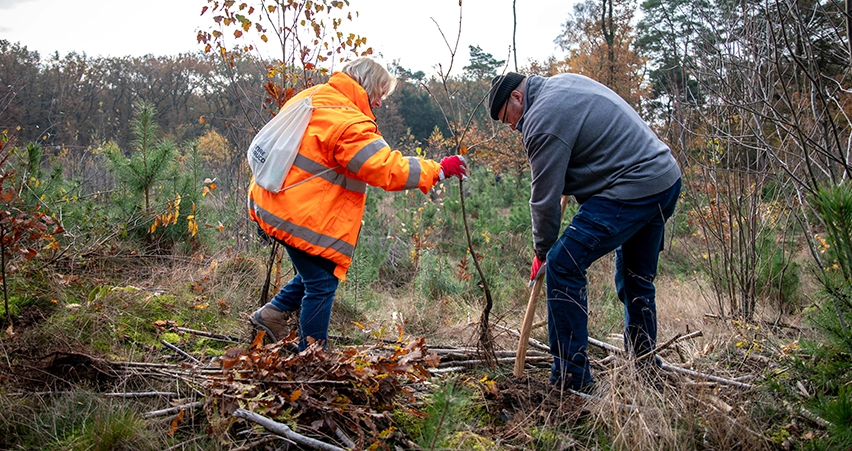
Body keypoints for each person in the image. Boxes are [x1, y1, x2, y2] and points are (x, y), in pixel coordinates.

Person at [247, 57, 467, 352]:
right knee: (321, 284)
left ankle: (272, 315)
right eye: (379, 94)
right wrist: (437, 169)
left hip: (272, 200)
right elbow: (385, 168)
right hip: (297, 214)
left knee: (319, 271)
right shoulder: (348, 120)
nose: (378, 103)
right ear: (366, 86)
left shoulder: (314, 95)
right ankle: (312, 358)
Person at [487, 71, 682, 391]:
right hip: (664, 177)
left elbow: (544, 200)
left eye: (508, 118)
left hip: (636, 185)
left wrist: (543, 251)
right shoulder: (563, 83)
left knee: (563, 264)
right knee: (637, 277)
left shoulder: (541, 119)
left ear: (517, 98)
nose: (511, 127)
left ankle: (571, 380)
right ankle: (645, 367)